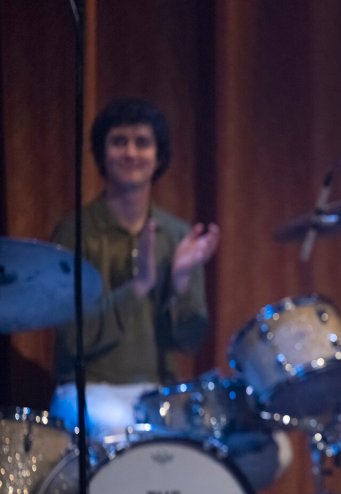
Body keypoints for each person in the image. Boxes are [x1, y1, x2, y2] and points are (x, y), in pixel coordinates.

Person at [49, 96, 220, 438]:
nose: (130, 153)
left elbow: (188, 342)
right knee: (121, 428)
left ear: (158, 157)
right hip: (89, 389)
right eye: (119, 142)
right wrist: (139, 285)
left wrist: (182, 280)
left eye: (142, 143)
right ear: (102, 153)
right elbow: (73, 340)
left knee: (247, 444)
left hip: (159, 392)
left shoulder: (176, 235)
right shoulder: (75, 233)